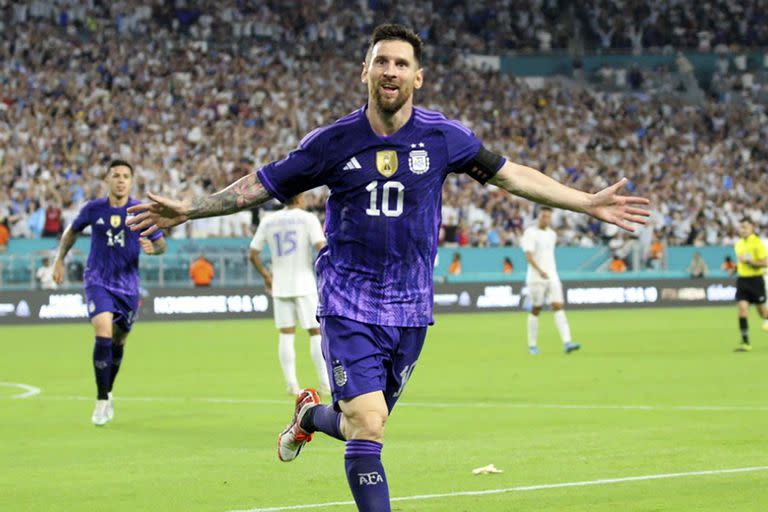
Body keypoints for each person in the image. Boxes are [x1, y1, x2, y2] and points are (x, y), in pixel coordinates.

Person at [127, 24, 649, 511]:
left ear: (417, 77)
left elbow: (511, 175)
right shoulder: (332, 142)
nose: (391, 71)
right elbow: (259, 185)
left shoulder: (443, 137)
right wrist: (189, 210)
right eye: (381, 62)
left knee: (361, 423)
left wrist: (585, 202)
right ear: (366, 72)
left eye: (401, 63)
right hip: (348, 299)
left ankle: (309, 415)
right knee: (369, 425)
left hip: (411, 305)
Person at [53, 160, 167, 426]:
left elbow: (161, 244)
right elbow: (72, 233)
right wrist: (59, 259)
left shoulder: (140, 211)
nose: (121, 180)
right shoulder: (93, 209)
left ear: (131, 181)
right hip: (97, 279)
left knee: (118, 342)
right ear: (107, 179)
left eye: (126, 176)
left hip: (127, 286)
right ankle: (101, 400)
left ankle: (108, 390)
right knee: (102, 331)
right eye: (116, 175)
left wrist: (154, 249)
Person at [249, 193, 331, 396]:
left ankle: (292, 385)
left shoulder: (269, 220)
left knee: (286, 334)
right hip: (304, 284)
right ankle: (325, 383)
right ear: (299, 199)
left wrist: (267, 276)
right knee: (315, 332)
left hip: (280, 285)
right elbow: (321, 247)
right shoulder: (308, 219)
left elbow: (253, 253)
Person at [520, 207, 580, 355]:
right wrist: (540, 271)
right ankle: (532, 345)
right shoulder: (530, 233)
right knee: (536, 309)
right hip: (536, 277)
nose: (545, 219)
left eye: (548, 217)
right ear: (538, 217)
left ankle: (567, 342)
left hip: (552, 275)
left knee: (558, 305)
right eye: (543, 216)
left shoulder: (552, 234)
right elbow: (528, 255)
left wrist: (551, 273)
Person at [732, 218, 768, 352]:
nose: (743, 230)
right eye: (741, 227)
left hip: (756, 280)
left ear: (752, 228)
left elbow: (765, 263)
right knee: (742, 309)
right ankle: (745, 343)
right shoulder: (739, 244)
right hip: (742, 280)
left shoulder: (758, 243)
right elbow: (741, 263)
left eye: (745, 227)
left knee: (763, 313)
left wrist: (751, 262)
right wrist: (734, 269)